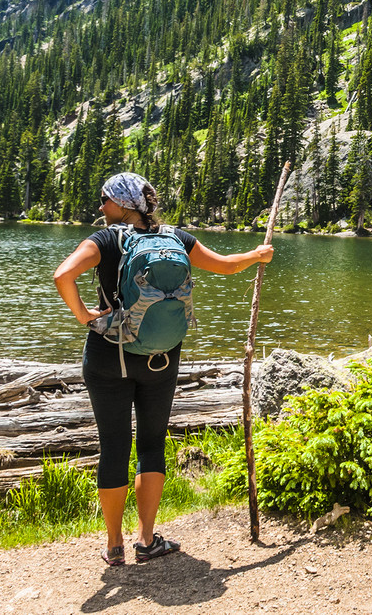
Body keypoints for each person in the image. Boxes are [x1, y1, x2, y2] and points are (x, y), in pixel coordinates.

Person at [53, 172, 272, 566]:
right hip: (161, 359)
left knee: (114, 448)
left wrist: (85, 315)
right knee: (152, 445)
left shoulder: (107, 238)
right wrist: (257, 255)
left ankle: (114, 545)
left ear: (122, 204)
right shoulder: (176, 237)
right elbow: (224, 266)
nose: (101, 207)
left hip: (108, 358)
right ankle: (148, 539)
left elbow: (62, 275)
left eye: (105, 199)